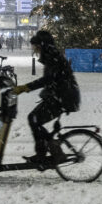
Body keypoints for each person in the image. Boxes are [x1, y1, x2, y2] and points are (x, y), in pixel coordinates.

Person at [12, 30, 80, 169]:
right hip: (60, 95)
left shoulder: (52, 56)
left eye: (35, 46)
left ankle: (45, 154)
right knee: (35, 119)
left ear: (42, 45)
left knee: (34, 118)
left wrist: (26, 87)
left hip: (63, 98)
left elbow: (48, 79)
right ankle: (46, 152)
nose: (34, 50)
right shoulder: (51, 55)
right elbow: (52, 80)